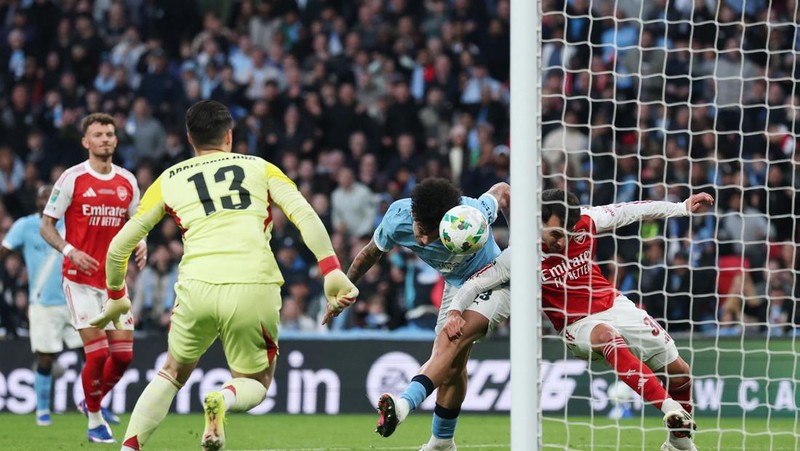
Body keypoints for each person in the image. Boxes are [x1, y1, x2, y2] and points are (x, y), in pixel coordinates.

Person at [89, 100, 359, 451]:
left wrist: (115, 296)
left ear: (189, 138)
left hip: (196, 286)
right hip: (252, 284)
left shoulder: (168, 179)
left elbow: (118, 248)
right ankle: (223, 399)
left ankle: (128, 448)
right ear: (229, 136)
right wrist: (331, 269)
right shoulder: (260, 167)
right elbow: (305, 215)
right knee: (257, 382)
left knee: (171, 372)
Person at [445, 189, 715, 451]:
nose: (562, 242)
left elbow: (633, 211)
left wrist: (680, 208)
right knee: (607, 337)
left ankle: (679, 443)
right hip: (577, 325)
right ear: (539, 222)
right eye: (555, 234)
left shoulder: (587, 219)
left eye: (568, 233)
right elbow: (475, 283)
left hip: (614, 304)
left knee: (680, 374)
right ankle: (668, 407)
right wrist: (454, 311)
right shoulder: (520, 254)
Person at [343, 177, 510, 451]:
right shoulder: (399, 217)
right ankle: (442, 442)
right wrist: (346, 288)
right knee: (452, 367)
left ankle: (403, 405)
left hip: (495, 278)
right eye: (419, 229)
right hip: (456, 285)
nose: (421, 239)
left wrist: (517, 244)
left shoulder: (472, 215)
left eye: (430, 234)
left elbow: (503, 190)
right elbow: (370, 253)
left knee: (451, 340)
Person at [40, 113, 147, 443]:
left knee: (124, 357)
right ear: (86, 142)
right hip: (79, 280)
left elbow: (136, 223)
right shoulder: (72, 179)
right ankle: (95, 420)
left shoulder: (127, 181)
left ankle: (90, 399)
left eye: (110, 134)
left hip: (114, 284)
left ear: (116, 140)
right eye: (98, 134)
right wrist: (70, 250)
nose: (105, 139)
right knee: (98, 355)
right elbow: (47, 226)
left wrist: (141, 242)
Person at [0, 185, 83, 426]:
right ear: (36, 202)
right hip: (43, 304)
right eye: (42, 197)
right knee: (46, 358)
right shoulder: (25, 226)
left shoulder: (71, 224)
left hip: (74, 300)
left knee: (91, 354)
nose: (47, 201)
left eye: (51, 197)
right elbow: (4, 251)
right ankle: (43, 411)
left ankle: (95, 406)